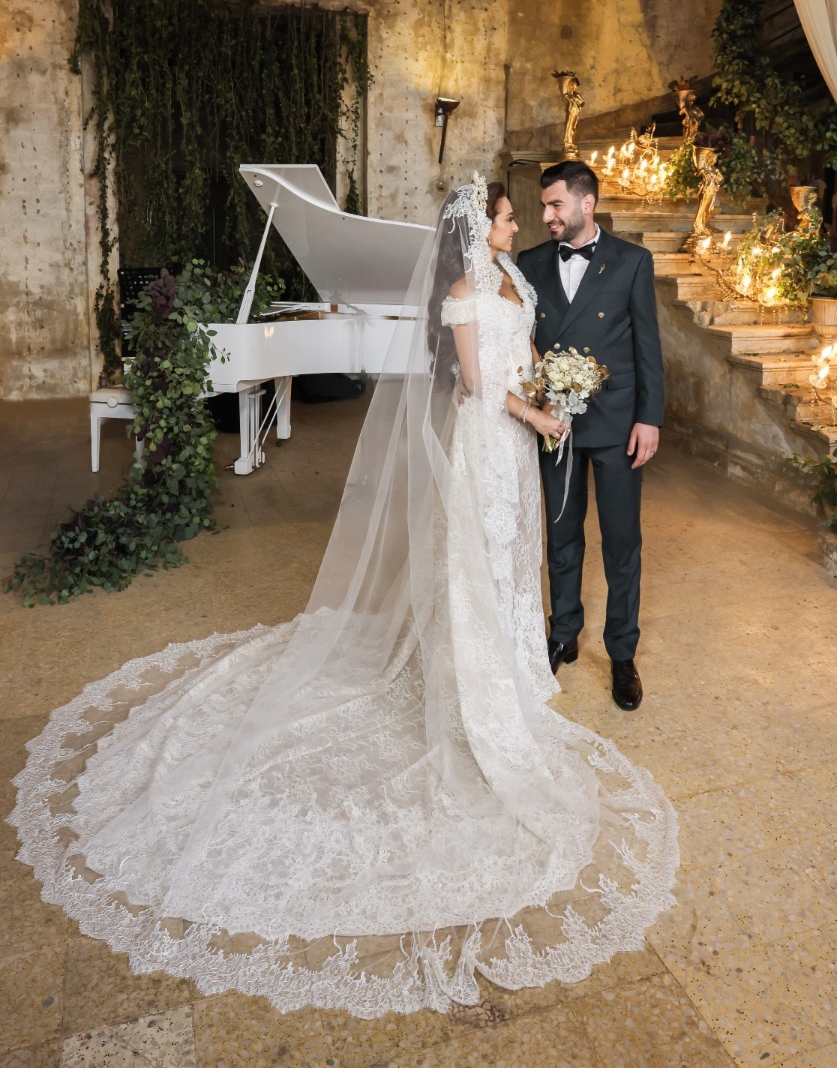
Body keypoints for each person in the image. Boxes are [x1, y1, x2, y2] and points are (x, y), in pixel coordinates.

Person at [10, 176, 676, 1020]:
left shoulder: (522, 278)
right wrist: (538, 414)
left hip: (547, 433)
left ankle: (576, 651)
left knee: (534, 553)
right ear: (491, 228)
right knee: (499, 553)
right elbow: (474, 384)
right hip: (495, 435)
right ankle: (505, 659)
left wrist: (561, 392)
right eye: (517, 214)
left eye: (541, 211)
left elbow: (573, 348)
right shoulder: (480, 285)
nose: (532, 223)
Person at [518, 160, 664, 710]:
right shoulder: (529, 263)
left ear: (587, 204)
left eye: (556, 205)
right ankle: (563, 632)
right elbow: (520, 343)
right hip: (556, 425)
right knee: (561, 535)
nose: (547, 216)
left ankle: (622, 653)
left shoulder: (632, 261)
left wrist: (649, 418)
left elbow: (648, 347)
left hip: (618, 424)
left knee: (622, 541)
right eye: (543, 207)